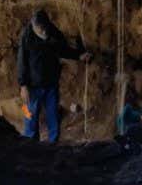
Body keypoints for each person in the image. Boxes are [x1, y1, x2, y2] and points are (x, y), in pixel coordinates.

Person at [15, 9, 90, 143]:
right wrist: (23, 85)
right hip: (33, 86)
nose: (43, 32)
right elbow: (21, 62)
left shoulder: (53, 33)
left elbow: (63, 49)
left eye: (44, 28)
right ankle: (29, 143)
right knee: (29, 115)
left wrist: (79, 55)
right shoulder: (26, 37)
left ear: (47, 24)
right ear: (33, 26)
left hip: (51, 84)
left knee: (53, 116)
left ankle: (53, 144)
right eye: (39, 29)